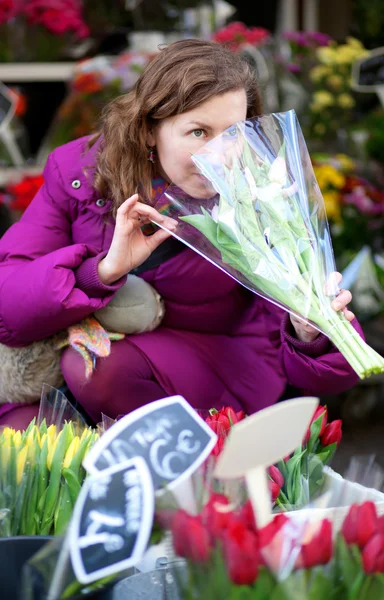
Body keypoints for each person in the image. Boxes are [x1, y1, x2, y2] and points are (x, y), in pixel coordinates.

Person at [0, 39, 359, 430]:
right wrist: (101, 272)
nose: (222, 154)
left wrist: (310, 330)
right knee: (19, 437)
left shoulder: (262, 192)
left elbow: (327, 371)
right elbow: (9, 305)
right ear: (150, 130)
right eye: (199, 132)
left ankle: (194, 475)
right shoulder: (80, 172)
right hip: (84, 346)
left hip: (218, 360)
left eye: (234, 132)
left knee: (96, 368)